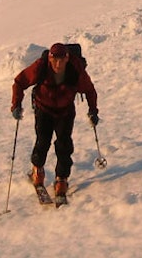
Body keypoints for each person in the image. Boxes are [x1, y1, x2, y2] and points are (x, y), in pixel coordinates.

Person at [10, 43, 99, 199]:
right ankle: (37, 171)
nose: (58, 64)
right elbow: (19, 82)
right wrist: (16, 105)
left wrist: (93, 110)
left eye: (62, 60)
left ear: (67, 59)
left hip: (65, 110)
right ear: (50, 59)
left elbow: (90, 90)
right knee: (42, 141)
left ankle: (61, 180)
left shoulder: (75, 69)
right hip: (44, 108)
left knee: (64, 144)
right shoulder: (40, 67)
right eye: (55, 60)